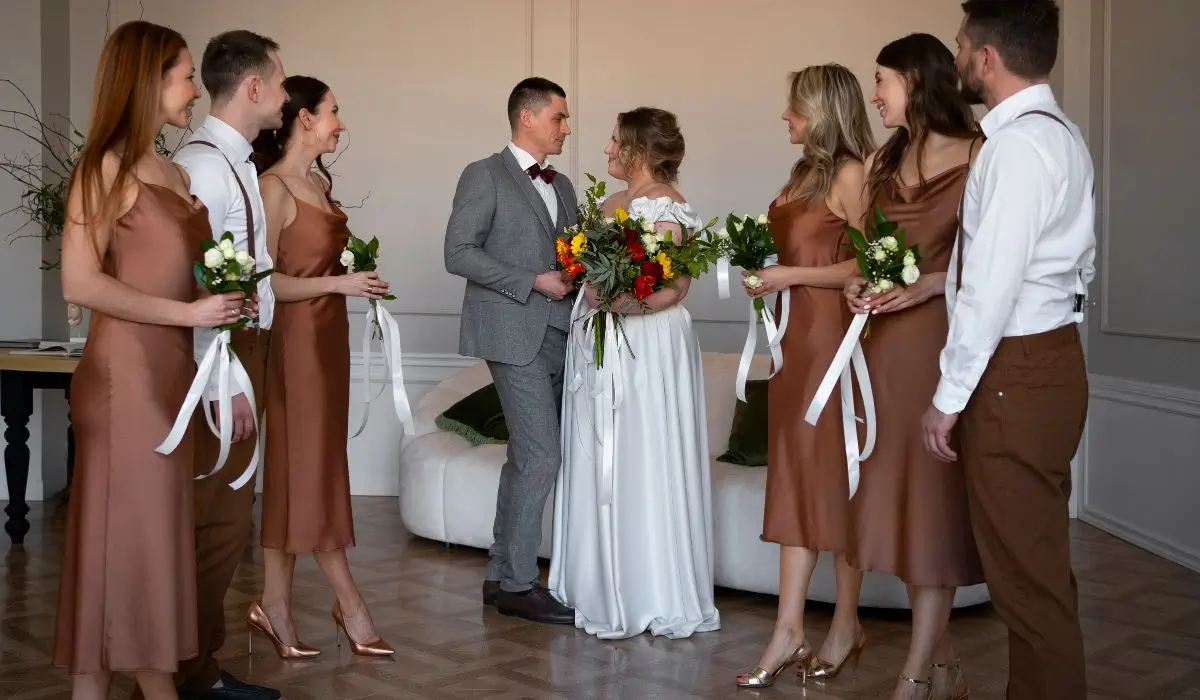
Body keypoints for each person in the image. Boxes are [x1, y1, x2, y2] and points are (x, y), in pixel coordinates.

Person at [53, 19, 250, 700]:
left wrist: (222, 301)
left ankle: (105, 684)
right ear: (147, 81)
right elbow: (80, 283)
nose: (195, 89)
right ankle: (153, 685)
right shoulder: (102, 167)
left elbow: (175, 272)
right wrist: (189, 314)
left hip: (172, 378)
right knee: (130, 539)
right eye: (185, 75)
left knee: (144, 543)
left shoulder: (170, 167)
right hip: (125, 379)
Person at [922, 2, 1095, 698]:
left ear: (986, 58)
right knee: (1036, 571)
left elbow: (990, 289)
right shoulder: (1059, 135)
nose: (958, 56)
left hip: (1014, 372)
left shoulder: (1020, 147)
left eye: (963, 44)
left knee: (1027, 582)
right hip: (1043, 361)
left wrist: (944, 400)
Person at [841, 33, 983, 700]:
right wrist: (855, 284)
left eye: (882, 80)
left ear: (916, 82)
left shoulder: (983, 154)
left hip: (937, 344)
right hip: (879, 348)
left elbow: (993, 262)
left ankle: (916, 674)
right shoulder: (882, 158)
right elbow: (866, 248)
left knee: (932, 504)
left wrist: (930, 284)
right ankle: (947, 664)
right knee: (895, 503)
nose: (874, 94)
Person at [548, 107, 721, 640]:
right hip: (599, 343)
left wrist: (626, 306)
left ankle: (650, 587)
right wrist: (589, 288)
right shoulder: (606, 205)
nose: (605, 150)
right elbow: (585, 273)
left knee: (642, 452)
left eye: (614, 142)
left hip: (646, 344)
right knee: (600, 451)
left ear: (638, 153)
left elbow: (675, 288)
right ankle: (596, 581)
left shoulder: (670, 207)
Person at [734, 64, 873, 688]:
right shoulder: (802, 175)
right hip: (791, 343)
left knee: (838, 479)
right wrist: (769, 275)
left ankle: (846, 623)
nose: (785, 117)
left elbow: (872, 271)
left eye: (794, 108)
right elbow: (802, 252)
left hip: (835, 346)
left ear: (820, 112)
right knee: (793, 475)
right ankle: (789, 628)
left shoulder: (854, 173)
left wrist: (788, 277)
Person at [247, 75, 394, 658]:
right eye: (334, 111)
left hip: (328, 340)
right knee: (308, 470)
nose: (342, 122)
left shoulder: (317, 184)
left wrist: (357, 281)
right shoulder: (272, 187)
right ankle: (349, 603)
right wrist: (341, 281)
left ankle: (273, 605)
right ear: (304, 118)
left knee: (300, 468)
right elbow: (261, 283)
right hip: (294, 345)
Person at [170, 29, 288, 700]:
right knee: (213, 525)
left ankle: (199, 666)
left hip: (248, 350)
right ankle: (188, 675)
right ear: (252, 87)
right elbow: (193, 281)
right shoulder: (206, 167)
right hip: (224, 360)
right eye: (278, 80)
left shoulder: (235, 160)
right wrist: (221, 384)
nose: (283, 92)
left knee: (226, 522)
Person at [443, 77, 577, 624]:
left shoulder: (564, 184)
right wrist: (531, 280)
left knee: (527, 456)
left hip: (563, 334)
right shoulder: (484, 175)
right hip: (510, 333)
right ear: (528, 117)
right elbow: (457, 252)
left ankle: (501, 575)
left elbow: (572, 254)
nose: (566, 128)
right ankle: (521, 584)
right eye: (559, 118)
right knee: (543, 455)